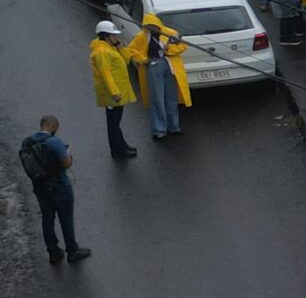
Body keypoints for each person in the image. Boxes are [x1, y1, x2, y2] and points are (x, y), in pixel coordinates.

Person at [19, 116, 89, 264]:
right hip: (59, 186)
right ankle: (72, 250)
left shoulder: (27, 142)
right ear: (54, 126)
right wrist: (69, 156)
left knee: (47, 218)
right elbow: (65, 163)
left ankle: (53, 252)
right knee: (66, 218)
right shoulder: (55, 142)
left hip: (39, 186)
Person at [127, 13, 191, 140]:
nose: (152, 28)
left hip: (170, 65)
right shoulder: (142, 36)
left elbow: (183, 45)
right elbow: (131, 49)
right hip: (154, 65)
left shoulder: (170, 33)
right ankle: (159, 130)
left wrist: (169, 50)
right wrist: (144, 60)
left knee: (171, 98)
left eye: (154, 26)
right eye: (149, 26)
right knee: (157, 98)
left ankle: (174, 127)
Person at [88, 19, 138, 159]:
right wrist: (114, 92)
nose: (117, 37)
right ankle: (118, 150)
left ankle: (121, 145)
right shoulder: (102, 52)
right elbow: (105, 74)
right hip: (112, 94)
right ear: (106, 36)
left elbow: (126, 60)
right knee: (113, 123)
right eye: (114, 35)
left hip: (118, 92)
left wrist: (120, 47)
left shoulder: (110, 48)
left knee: (116, 122)